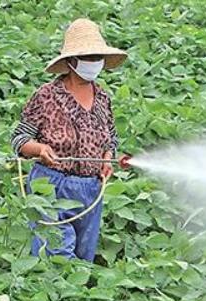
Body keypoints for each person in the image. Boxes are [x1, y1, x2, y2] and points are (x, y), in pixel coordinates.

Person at [10, 18, 127, 261]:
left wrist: (108, 159)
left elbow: (111, 140)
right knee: (57, 255)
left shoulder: (103, 98)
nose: (94, 64)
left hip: (91, 189)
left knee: (83, 258)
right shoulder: (47, 96)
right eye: (89, 58)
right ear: (72, 62)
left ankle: (77, 298)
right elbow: (19, 139)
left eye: (98, 58)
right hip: (51, 185)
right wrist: (40, 149)